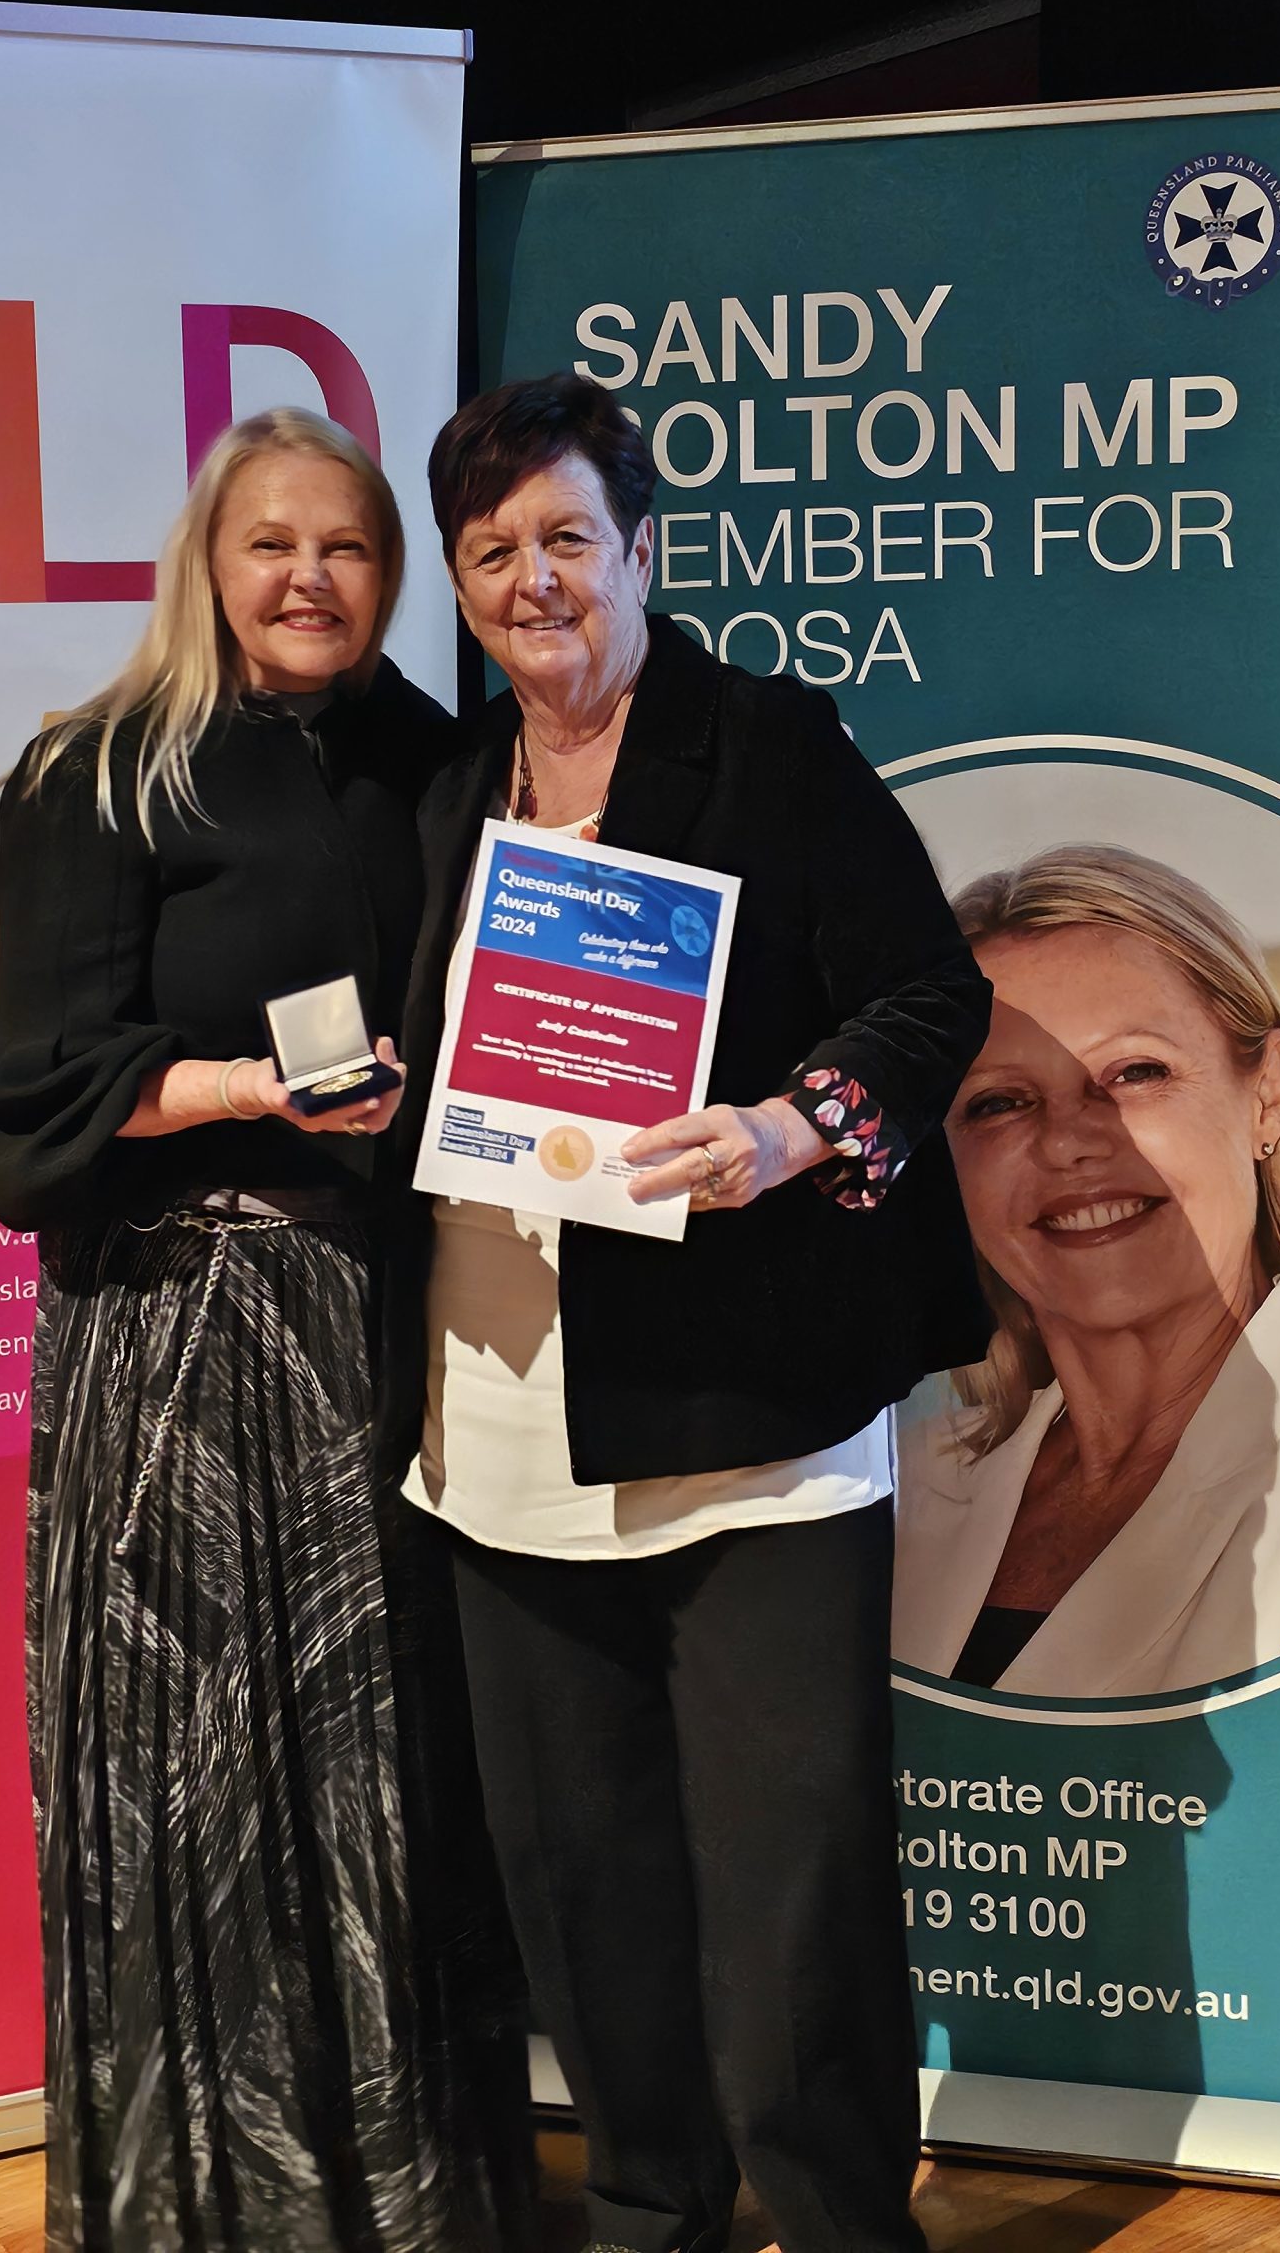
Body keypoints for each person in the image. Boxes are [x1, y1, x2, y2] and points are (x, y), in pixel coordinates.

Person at [387, 372, 994, 2253]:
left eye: (569, 537)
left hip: (751, 1425)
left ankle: (842, 2228)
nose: (535, 580)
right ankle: (655, 2216)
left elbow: (930, 999)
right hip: (503, 1424)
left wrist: (786, 1131)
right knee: (585, 1892)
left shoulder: (771, 743)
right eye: (494, 551)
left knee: (797, 1898)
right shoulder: (450, 796)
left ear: (642, 550)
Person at [0, 408, 525, 2253]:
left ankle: (407, 2208)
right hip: (176, 1337)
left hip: (388, 1328)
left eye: (347, 547)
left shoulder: (449, 766)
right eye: (271, 543)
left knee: (385, 1781)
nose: (308, 578)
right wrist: (240, 1091)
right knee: (189, 1791)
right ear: (209, 562)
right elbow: (33, 1096)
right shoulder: (101, 772)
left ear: (393, 574)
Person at [892, 844, 1280, 1699]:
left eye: (1138, 1072)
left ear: (1267, 1095)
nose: (1069, 1140)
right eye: (997, 1102)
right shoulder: (897, 1488)